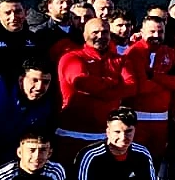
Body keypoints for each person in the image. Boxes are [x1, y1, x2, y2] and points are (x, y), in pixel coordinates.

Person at [56, 17, 134, 164]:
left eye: (105, 32)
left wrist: (102, 90)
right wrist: (113, 83)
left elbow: (131, 87)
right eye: (95, 32)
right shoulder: (72, 57)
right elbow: (82, 82)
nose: (100, 36)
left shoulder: (120, 59)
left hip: (105, 137)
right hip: (73, 135)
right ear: (85, 35)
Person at [123, 14, 175, 159]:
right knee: (136, 158)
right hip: (138, 118)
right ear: (141, 32)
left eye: (160, 32)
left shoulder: (170, 53)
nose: (156, 35)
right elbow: (141, 87)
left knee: (157, 158)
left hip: (161, 118)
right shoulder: (133, 53)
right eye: (152, 32)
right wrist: (167, 83)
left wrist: (154, 76)